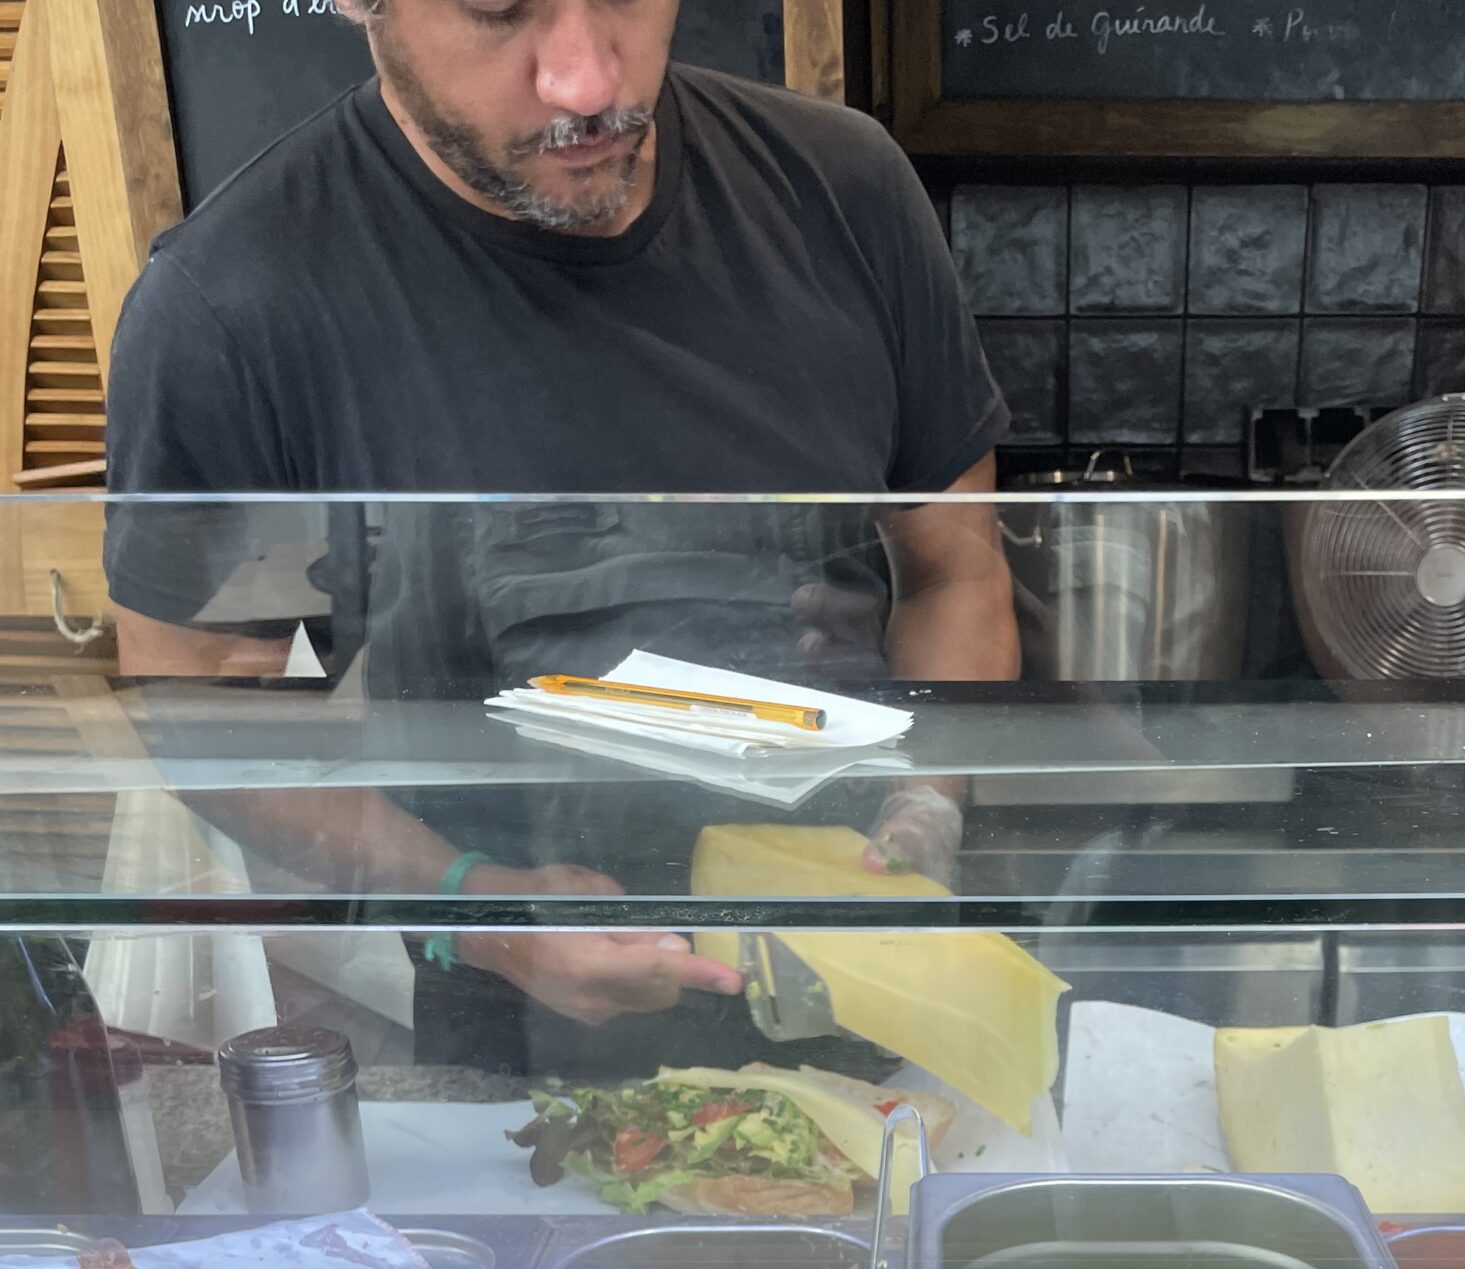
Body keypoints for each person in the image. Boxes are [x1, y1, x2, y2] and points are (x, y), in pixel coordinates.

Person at [103, 0, 1017, 1074]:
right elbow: (208, 701)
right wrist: (480, 906)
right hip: (523, 1061)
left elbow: (954, 572)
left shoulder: (842, 188)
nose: (588, 82)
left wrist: (928, 805)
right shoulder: (240, 303)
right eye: (498, 7)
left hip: (870, 1005)